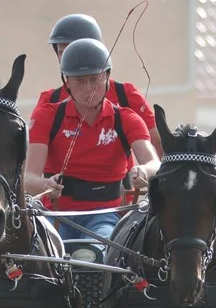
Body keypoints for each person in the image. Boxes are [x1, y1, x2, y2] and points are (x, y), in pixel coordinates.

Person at [25, 38, 161, 244]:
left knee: (98, 251)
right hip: (55, 216)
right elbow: (28, 177)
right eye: (80, 81)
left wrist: (143, 171)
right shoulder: (47, 117)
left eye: (95, 79)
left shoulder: (127, 119)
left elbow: (155, 163)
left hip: (107, 215)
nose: (88, 88)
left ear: (107, 79)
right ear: (66, 82)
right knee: (49, 255)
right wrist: (45, 184)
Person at [36, 14, 165, 203]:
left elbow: (157, 143)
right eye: (62, 51)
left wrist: (155, 179)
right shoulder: (50, 102)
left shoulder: (125, 95)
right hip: (60, 204)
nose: (71, 55)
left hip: (114, 199)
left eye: (74, 48)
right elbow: (32, 158)